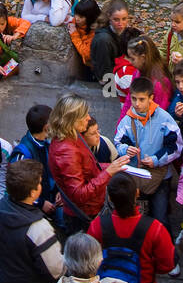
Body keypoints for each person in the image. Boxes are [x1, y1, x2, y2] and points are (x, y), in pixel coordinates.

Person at [47, 93, 134, 234]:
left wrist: (114, 166)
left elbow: (88, 169)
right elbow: (79, 194)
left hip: (91, 209)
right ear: (72, 119)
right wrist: (108, 172)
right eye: (84, 115)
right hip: (82, 217)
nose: (88, 118)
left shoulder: (72, 135)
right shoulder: (66, 150)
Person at [113, 75, 183, 232]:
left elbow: (176, 147)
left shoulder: (165, 119)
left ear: (151, 98)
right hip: (136, 176)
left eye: (141, 99)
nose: (137, 104)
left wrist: (156, 159)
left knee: (160, 218)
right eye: (134, 99)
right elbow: (118, 142)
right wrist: (126, 149)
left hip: (160, 177)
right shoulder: (127, 120)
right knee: (138, 217)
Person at [10, 104, 56, 213]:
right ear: (47, 127)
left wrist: (58, 191)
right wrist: (40, 203)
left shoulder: (48, 142)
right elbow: (17, 188)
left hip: (51, 198)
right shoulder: (23, 153)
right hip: (34, 208)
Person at [114, 35, 172, 120]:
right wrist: (121, 127)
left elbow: (160, 115)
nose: (129, 62)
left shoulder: (160, 83)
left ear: (143, 58)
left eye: (132, 59)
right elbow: (128, 102)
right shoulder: (137, 73)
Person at [89, 0, 134, 84]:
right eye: (116, 20)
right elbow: (104, 71)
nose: (121, 23)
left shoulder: (126, 31)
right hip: (107, 79)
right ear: (109, 17)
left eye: (124, 19)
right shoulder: (103, 39)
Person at [69, 0, 100, 73]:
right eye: (76, 14)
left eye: (81, 17)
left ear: (90, 18)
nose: (76, 18)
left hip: (94, 67)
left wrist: (74, 34)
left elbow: (86, 54)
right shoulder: (78, 21)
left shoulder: (96, 32)